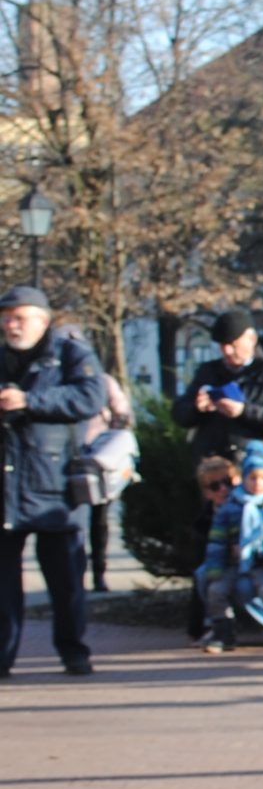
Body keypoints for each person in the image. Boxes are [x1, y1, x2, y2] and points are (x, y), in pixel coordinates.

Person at [0, 286, 108, 677]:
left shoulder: (69, 354)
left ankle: (74, 653)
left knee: (65, 583)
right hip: (6, 488)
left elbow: (90, 398)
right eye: (7, 318)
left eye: (20, 317)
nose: (12, 325)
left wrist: (30, 402)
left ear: (43, 321)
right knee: (3, 587)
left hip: (55, 488)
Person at [197, 441, 263, 653]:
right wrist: (216, 567)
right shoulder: (232, 506)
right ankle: (223, 632)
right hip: (235, 564)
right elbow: (217, 540)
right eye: (252, 478)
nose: (257, 483)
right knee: (216, 589)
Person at [182, 306, 263, 466]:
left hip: (256, 466)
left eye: (233, 345)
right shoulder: (209, 371)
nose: (227, 351)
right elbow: (180, 412)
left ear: (251, 339)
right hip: (214, 467)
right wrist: (197, 408)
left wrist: (243, 411)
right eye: (222, 346)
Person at [78, 363, 136, 594]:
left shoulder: (103, 382)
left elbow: (123, 414)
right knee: (76, 525)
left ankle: (98, 574)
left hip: (99, 460)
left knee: (99, 521)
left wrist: (111, 438)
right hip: (71, 459)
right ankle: (77, 575)